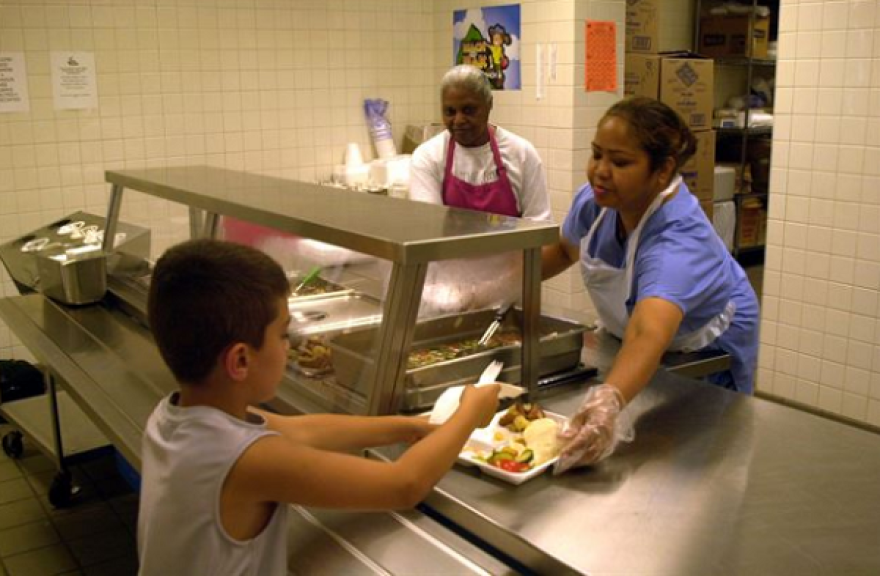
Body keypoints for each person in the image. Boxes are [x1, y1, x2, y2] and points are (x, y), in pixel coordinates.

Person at [137, 239, 500, 576]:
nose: (289, 344)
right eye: (283, 334)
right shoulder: (245, 460)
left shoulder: (173, 416)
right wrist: (470, 413)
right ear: (241, 360)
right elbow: (403, 485)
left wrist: (412, 427)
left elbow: (304, 430)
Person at [542, 97, 759, 474]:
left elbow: (647, 333)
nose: (600, 171)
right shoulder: (597, 201)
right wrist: (495, 287)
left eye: (620, 162)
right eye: (597, 155)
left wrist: (608, 402)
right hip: (639, 333)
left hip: (703, 344)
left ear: (663, 171)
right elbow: (563, 250)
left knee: (693, 457)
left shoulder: (678, 240)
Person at [409, 64, 551, 221]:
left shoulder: (522, 154)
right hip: (451, 246)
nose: (459, 120)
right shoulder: (428, 157)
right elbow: (430, 227)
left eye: (468, 110)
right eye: (450, 112)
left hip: (513, 246)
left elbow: (540, 230)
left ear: (489, 104)